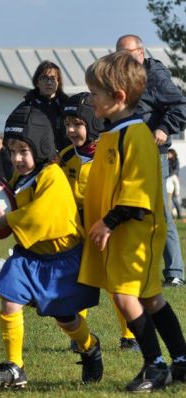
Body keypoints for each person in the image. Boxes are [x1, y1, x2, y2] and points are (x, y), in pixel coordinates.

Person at [80, 50, 186, 392]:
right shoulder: (114, 134)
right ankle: (182, 361)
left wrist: (109, 222)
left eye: (95, 94)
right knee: (152, 298)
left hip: (135, 232)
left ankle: (154, 365)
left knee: (126, 297)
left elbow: (136, 191)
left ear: (118, 97)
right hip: (123, 233)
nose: (91, 100)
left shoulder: (136, 135)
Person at [0, 104, 102, 389]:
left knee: (67, 319)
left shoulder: (52, 176)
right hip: (29, 255)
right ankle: (15, 367)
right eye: (12, 152)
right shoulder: (21, 177)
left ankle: (90, 347)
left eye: (23, 151)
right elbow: (8, 199)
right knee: (9, 300)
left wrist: (6, 219)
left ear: (42, 147)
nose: (17, 158)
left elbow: (41, 215)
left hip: (61, 260)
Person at [59, 92, 139, 352]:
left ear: (92, 123)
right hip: (77, 229)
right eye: (68, 124)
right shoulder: (64, 157)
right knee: (80, 281)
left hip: (107, 228)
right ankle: (79, 334)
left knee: (116, 284)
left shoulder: (109, 153)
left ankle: (130, 335)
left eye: (78, 124)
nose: (71, 130)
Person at [116, 34, 186, 288]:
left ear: (139, 52)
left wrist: (164, 129)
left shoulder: (155, 76)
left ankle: (175, 272)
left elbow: (181, 105)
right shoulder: (121, 76)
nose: (120, 60)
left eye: (125, 54)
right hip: (128, 152)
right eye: (117, 55)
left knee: (159, 212)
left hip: (153, 154)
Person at [19, 60, 70, 153]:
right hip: (38, 161)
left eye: (53, 78)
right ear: (37, 82)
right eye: (44, 78)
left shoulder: (69, 107)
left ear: (58, 82)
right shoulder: (25, 108)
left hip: (66, 160)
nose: (49, 82)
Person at [167, 148, 181, 219]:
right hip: (169, 181)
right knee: (169, 202)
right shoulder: (167, 161)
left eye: (169, 153)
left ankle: (179, 214)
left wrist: (171, 174)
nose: (168, 155)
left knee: (175, 200)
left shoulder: (176, 161)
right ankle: (172, 215)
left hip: (173, 179)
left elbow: (176, 170)